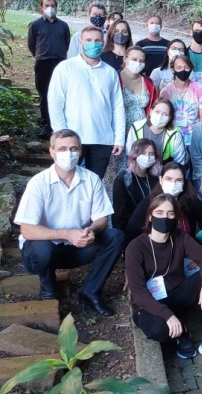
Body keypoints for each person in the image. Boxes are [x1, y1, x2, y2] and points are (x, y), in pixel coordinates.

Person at [14, 129, 124, 314]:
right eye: (62, 149)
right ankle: (48, 290)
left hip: (76, 248)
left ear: (80, 151)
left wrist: (92, 230)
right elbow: (27, 229)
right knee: (42, 247)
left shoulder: (91, 180)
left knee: (115, 237)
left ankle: (90, 292)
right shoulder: (38, 183)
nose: (69, 153)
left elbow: (102, 217)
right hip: (41, 254)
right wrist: (66, 234)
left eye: (73, 148)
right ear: (52, 152)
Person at [125, 194, 202, 363]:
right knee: (158, 330)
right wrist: (168, 316)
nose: (165, 217)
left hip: (176, 296)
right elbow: (139, 293)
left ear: (176, 218)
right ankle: (181, 330)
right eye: (160, 213)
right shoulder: (135, 247)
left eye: (170, 214)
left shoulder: (179, 237)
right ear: (150, 216)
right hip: (148, 304)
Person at [48, 26, 125, 180]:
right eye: (89, 40)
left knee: (94, 183)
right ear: (81, 42)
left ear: (103, 43)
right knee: (70, 181)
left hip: (102, 139)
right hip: (73, 139)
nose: (93, 44)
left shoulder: (110, 72)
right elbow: (55, 103)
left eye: (97, 41)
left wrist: (119, 138)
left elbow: (117, 106)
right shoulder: (65, 68)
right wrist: (61, 135)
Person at [125, 162, 202, 253]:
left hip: (185, 255)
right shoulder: (149, 203)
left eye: (178, 180)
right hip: (155, 255)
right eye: (169, 179)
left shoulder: (191, 202)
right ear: (161, 180)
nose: (173, 183)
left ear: (184, 182)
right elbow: (131, 232)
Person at [28, 0, 70, 135]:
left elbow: (66, 43)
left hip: (59, 63)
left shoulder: (63, 26)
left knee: (61, 94)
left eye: (52, 5)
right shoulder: (35, 25)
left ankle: (61, 123)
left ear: (56, 7)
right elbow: (31, 44)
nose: (50, 8)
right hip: (43, 63)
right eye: (46, 5)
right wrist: (41, 55)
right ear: (42, 7)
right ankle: (46, 124)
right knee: (44, 94)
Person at [160, 55, 202, 148]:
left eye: (186, 67)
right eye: (179, 67)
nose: (183, 70)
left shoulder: (199, 88)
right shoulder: (166, 91)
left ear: (191, 69)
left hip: (194, 139)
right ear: (172, 69)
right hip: (172, 138)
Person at [112, 138, 160, 231]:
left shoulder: (156, 177)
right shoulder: (123, 179)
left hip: (154, 225)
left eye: (151, 154)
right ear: (134, 155)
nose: (148, 157)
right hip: (132, 228)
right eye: (143, 153)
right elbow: (119, 214)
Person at [126, 98, 187, 165]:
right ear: (151, 111)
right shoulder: (136, 127)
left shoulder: (175, 134)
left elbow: (179, 162)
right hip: (139, 169)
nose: (160, 116)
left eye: (165, 114)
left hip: (163, 170)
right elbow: (130, 153)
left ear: (170, 118)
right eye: (157, 112)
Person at [119, 46, 158, 131]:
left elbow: (154, 106)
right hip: (120, 130)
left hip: (142, 130)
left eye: (141, 61)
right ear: (125, 59)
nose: (138, 63)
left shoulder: (149, 82)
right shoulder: (115, 79)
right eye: (134, 59)